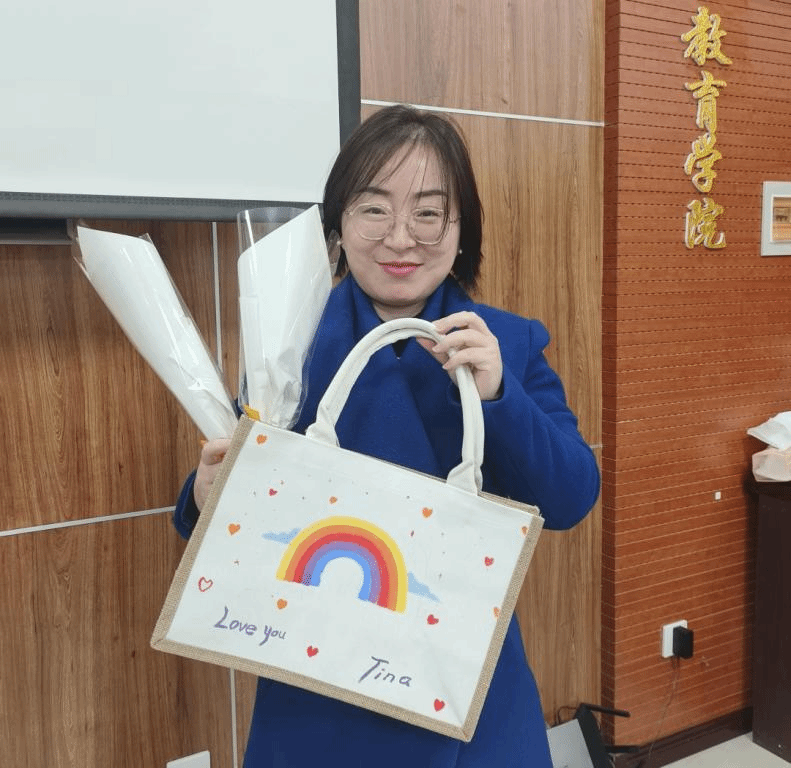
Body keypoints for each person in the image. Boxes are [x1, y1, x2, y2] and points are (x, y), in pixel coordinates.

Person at [173, 104, 600, 767]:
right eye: (374, 209)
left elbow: (570, 498)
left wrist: (499, 397)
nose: (401, 238)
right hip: (316, 684)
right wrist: (205, 493)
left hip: (464, 689)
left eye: (428, 213)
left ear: (462, 231)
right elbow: (238, 513)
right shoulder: (287, 346)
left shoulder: (508, 343)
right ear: (338, 226)